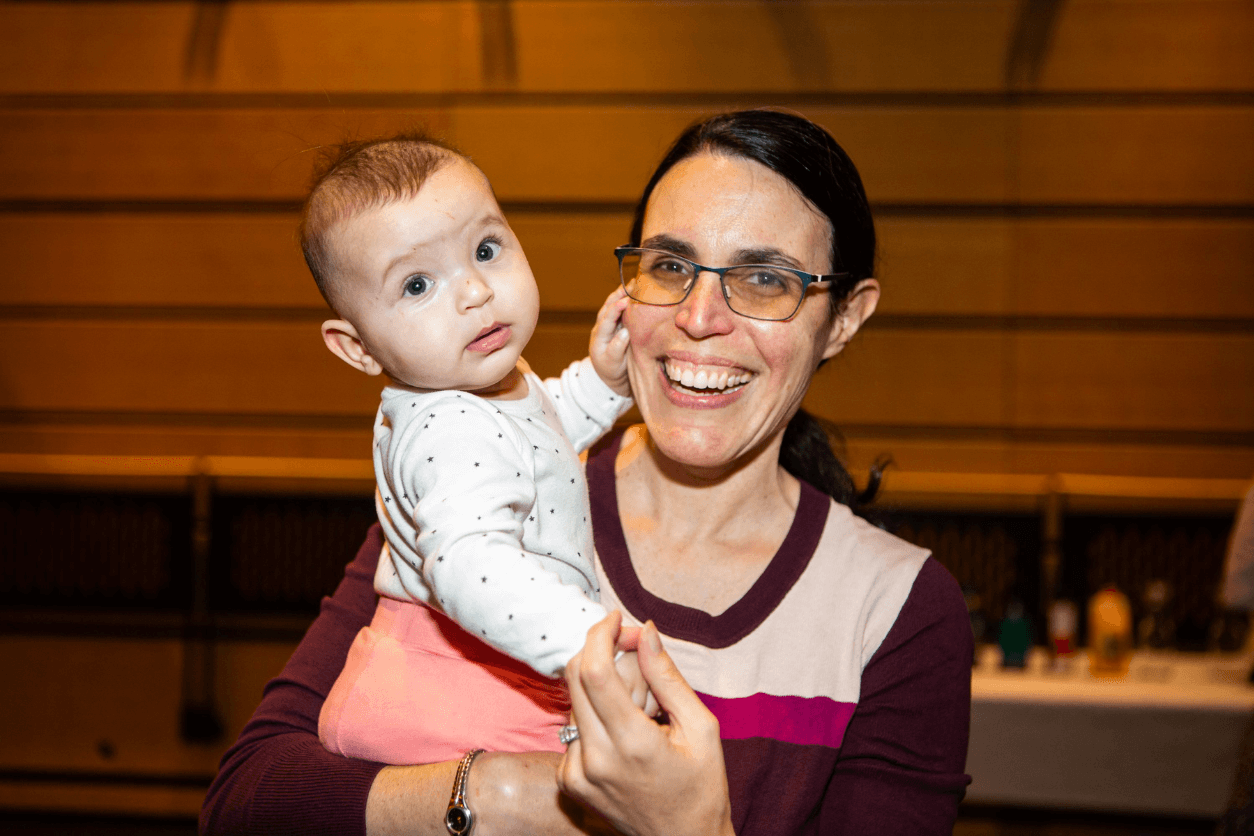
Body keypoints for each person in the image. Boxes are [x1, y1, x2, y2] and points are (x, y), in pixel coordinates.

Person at [201, 109, 973, 836]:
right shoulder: (483, 497)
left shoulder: (898, 612)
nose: (700, 318)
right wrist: (494, 795)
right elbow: (246, 802)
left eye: (765, 278)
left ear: (843, 317)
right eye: (670, 266)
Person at [301, 134, 642, 764]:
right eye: (417, 286)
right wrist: (590, 642)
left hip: (476, 672)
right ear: (357, 348)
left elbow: (533, 446)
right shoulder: (449, 425)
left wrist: (601, 384)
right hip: (469, 692)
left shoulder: (473, 394)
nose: (475, 292)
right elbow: (467, 565)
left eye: (485, 250)